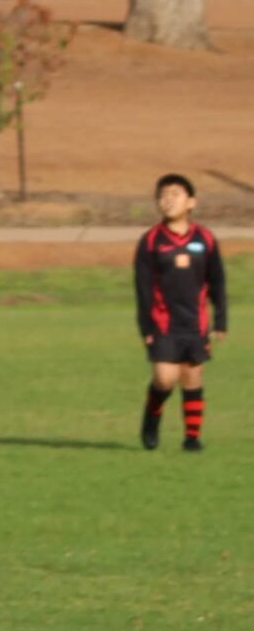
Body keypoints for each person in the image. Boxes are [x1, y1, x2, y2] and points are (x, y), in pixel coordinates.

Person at [135, 173, 227, 452]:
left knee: (192, 377)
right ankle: (152, 417)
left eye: (175, 194)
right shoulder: (151, 241)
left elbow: (217, 281)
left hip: (195, 322)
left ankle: (192, 438)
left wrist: (221, 319)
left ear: (191, 202)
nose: (168, 200)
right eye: (163, 196)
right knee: (165, 378)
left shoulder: (205, 239)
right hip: (163, 323)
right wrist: (146, 328)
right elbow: (143, 288)